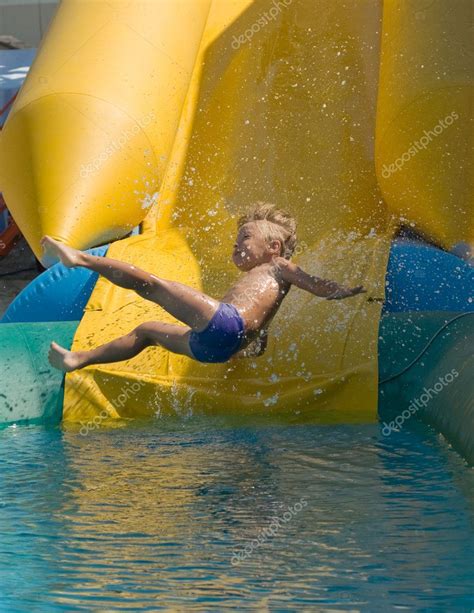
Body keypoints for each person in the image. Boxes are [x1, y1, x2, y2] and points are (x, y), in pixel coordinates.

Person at [41, 203, 366, 371]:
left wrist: (343, 290)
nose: (237, 245)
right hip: (215, 348)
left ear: (274, 247)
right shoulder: (264, 285)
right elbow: (259, 335)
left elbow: (313, 283)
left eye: (245, 238)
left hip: (226, 323)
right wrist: (246, 352)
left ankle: (80, 259)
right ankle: (78, 360)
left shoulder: (278, 267)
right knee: (147, 331)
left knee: (151, 285)